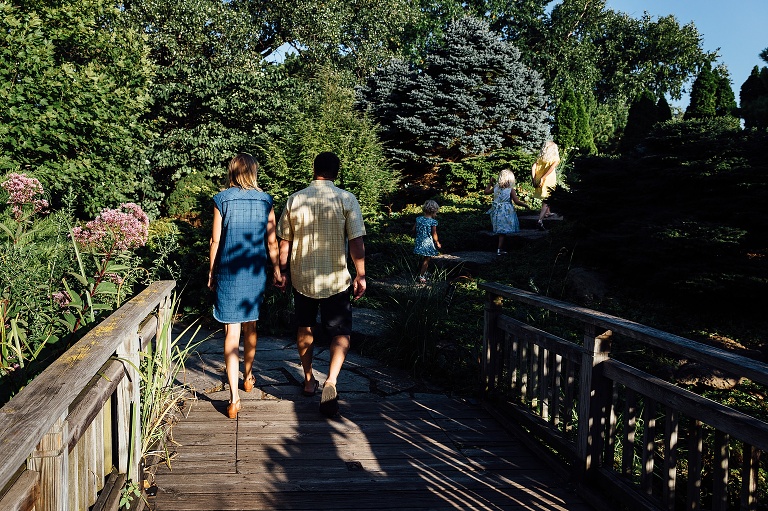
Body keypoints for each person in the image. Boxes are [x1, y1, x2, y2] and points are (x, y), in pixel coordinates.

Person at [277, 152, 366, 417]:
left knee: (305, 327)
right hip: (335, 279)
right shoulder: (346, 199)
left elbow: (285, 243)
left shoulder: (295, 199)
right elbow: (356, 242)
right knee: (341, 332)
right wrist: (360, 274)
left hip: (302, 277)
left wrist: (281, 272)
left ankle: (308, 380)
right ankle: (331, 380)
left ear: (314, 170)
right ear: (336, 172)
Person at [208, 154, 282, 419]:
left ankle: (234, 399)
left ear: (232, 171)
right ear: (253, 171)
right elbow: (271, 241)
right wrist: (276, 269)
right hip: (254, 272)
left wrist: (211, 272)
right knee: (251, 325)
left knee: (231, 333)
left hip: (229, 272)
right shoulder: (265, 200)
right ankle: (248, 376)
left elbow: (215, 241)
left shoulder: (222, 199)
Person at [484, 169, 527, 255]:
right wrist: (525, 205)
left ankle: (501, 247)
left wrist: (490, 183)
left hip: (496, 210)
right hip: (506, 211)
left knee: (501, 229)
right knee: (503, 231)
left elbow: (486, 192)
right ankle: (500, 249)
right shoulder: (511, 190)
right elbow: (516, 201)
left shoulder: (496, 188)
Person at [531, 140, 561, 231]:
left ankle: (548, 213)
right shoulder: (556, 159)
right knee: (547, 200)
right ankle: (540, 221)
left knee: (545, 197)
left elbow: (533, 167)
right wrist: (544, 178)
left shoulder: (540, 158)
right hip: (548, 180)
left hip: (538, 179)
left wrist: (534, 179)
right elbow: (552, 168)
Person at [412, 200, 441, 284]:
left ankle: (423, 272)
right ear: (434, 211)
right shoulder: (433, 222)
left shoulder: (418, 219)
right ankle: (422, 276)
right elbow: (434, 234)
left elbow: (413, 229)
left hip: (419, 241)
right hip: (427, 243)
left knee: (424, 258)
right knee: (426, 259)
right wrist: (437, 242)